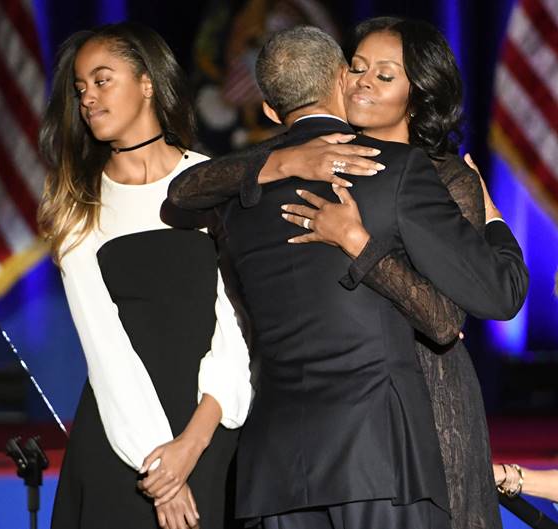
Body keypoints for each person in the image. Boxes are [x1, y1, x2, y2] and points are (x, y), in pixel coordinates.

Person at [164, 25, 528, 529]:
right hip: (358, 435)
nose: (362, 83)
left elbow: (459, 313)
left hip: (425, 402)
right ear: (337, 76)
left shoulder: (442, 175)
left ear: (417, 96)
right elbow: (185, 189)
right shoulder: (296, 166)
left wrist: (489, 219)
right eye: (356, 68)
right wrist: (285, 157)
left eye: (384, 75)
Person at [37, 22, 251, 529]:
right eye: (80, 88)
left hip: (212, 432)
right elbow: (104, 345)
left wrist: (192, 445)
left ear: (147, 82)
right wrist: (156, 461)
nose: (88, 97)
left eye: (102, 79)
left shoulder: (212, 181)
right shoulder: (78, 202)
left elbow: (236, 327)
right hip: (120, 442)